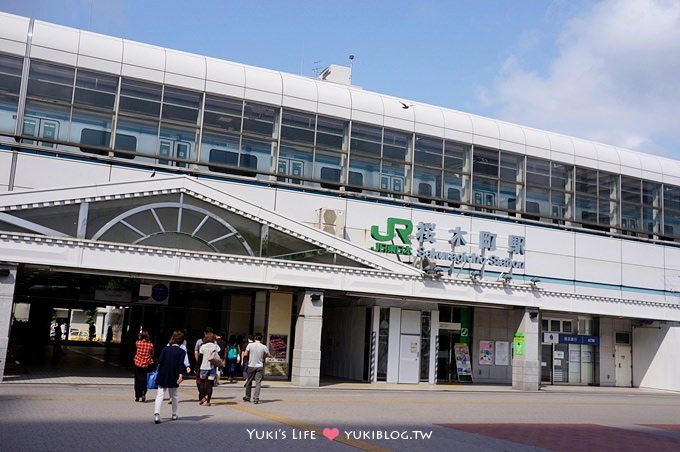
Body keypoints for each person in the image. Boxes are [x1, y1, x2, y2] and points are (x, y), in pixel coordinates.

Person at [153, 330, 186, 424]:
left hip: (163, 374)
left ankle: (157, 414)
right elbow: (180, 365)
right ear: (181, 341)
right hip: (174, 374)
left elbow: (159, 361)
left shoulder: (165, 349)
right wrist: (180, 375)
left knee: (160, 395)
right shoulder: (182, 352)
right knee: (174, 395)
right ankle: (174, 414)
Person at [242, 333, 270, 404]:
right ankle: (256, 398)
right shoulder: (264, 346)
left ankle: (247, 396)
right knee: (258, 382)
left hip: (251, 365)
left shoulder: (250, 345)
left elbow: (245, 354)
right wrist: (263, 356)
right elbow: (268, 354)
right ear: (261, 339)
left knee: (249, 381)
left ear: (254, 338)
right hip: (259, 366)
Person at [197, 331, 221, 406]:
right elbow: (220, 352)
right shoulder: (215, 346)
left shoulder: (203, 347)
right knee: (210, 385)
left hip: (204, 367)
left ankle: (203, 397)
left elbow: (200, 358)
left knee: (202, 382)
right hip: (212, 367)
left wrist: (196, 367)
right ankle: (208, 401)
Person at [133, 330, 154, 402]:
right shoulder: (150, 345)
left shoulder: (138, 343)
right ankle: (143, 392)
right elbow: (152, 354)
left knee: (137, 379)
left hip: (137, 363)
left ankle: (137, 395)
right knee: (144, 379)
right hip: (146, 364)